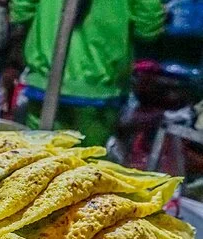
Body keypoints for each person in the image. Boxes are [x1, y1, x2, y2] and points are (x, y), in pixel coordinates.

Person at [11, 0, 165, 146]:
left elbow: (21, 11)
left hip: (45, 80)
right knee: (89, 160)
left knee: (38, 159)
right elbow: (148, 26)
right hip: (100, 88)